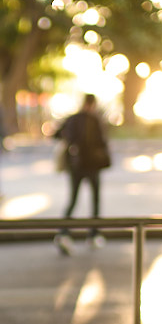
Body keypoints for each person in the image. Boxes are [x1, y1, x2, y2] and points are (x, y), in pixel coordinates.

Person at [53, 94, 111, 255]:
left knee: (72, 199)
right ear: (92, 104)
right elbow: (102, 142)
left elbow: (57, 134)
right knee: (95, 200)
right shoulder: (95, 120)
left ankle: (63, 233)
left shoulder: (72, 119)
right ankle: (93, 234)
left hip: (76, 166)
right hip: (92, 166)